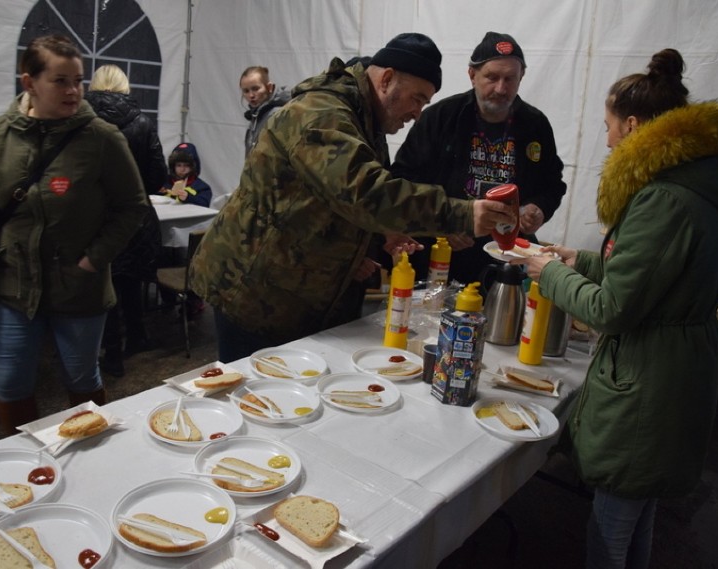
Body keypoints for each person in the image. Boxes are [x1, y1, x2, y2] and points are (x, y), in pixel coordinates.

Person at [517, 49, 718, 568]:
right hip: (676, 367)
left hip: (651, 380)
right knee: (637, 511)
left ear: (631, 125)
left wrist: (549, 273)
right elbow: (652, 276)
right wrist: (577, 258)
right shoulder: (697, 185)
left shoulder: (663, 199)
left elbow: (613, 309)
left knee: (611, 530)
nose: (604, 140)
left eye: (607, 127)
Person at [190, 32, 516, 362]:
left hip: (289, 290)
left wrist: (373, 237)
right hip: (253, 292)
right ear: (387, 80)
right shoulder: (322, 114)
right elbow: (365, 192)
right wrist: (465, 214)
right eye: (417, 98)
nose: (418, 113)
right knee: (257, 402)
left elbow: (328, 199)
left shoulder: (362, 117)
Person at [0, 34, 148, 433]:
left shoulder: (102, 138)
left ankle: (95, 463)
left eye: (78, 80)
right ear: (29, 83)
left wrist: (93, 259)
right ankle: (27, 473)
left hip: (79, 288)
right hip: (11, 287)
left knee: (81, 380)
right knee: (9, 386)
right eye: (60, 81)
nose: (74, 90)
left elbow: (132, 207)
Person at [392, 31, 566, 286]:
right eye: (492, 77)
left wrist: (539, 208)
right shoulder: (441, 117)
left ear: (522, 77)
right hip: (443, 256)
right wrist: (443, 224)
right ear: (472, 75)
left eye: (510, 79)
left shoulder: (535, 124)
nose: (501, 88)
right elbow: (403, 181)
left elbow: (553, 184)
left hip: (506, 257)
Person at [86, 64, 167, 376]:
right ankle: (137, 337)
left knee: (103, 284)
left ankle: (112, 353)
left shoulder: (82, 121)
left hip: (95, 216)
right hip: (134, 215)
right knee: (130, 278)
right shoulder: (143, 122)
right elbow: (158, 173)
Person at [240, 65, 291, 157]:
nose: (251, 95)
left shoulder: (277, 114)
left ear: (269, 87)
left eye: (255, 89)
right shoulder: (256, 117)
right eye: (246, 91)